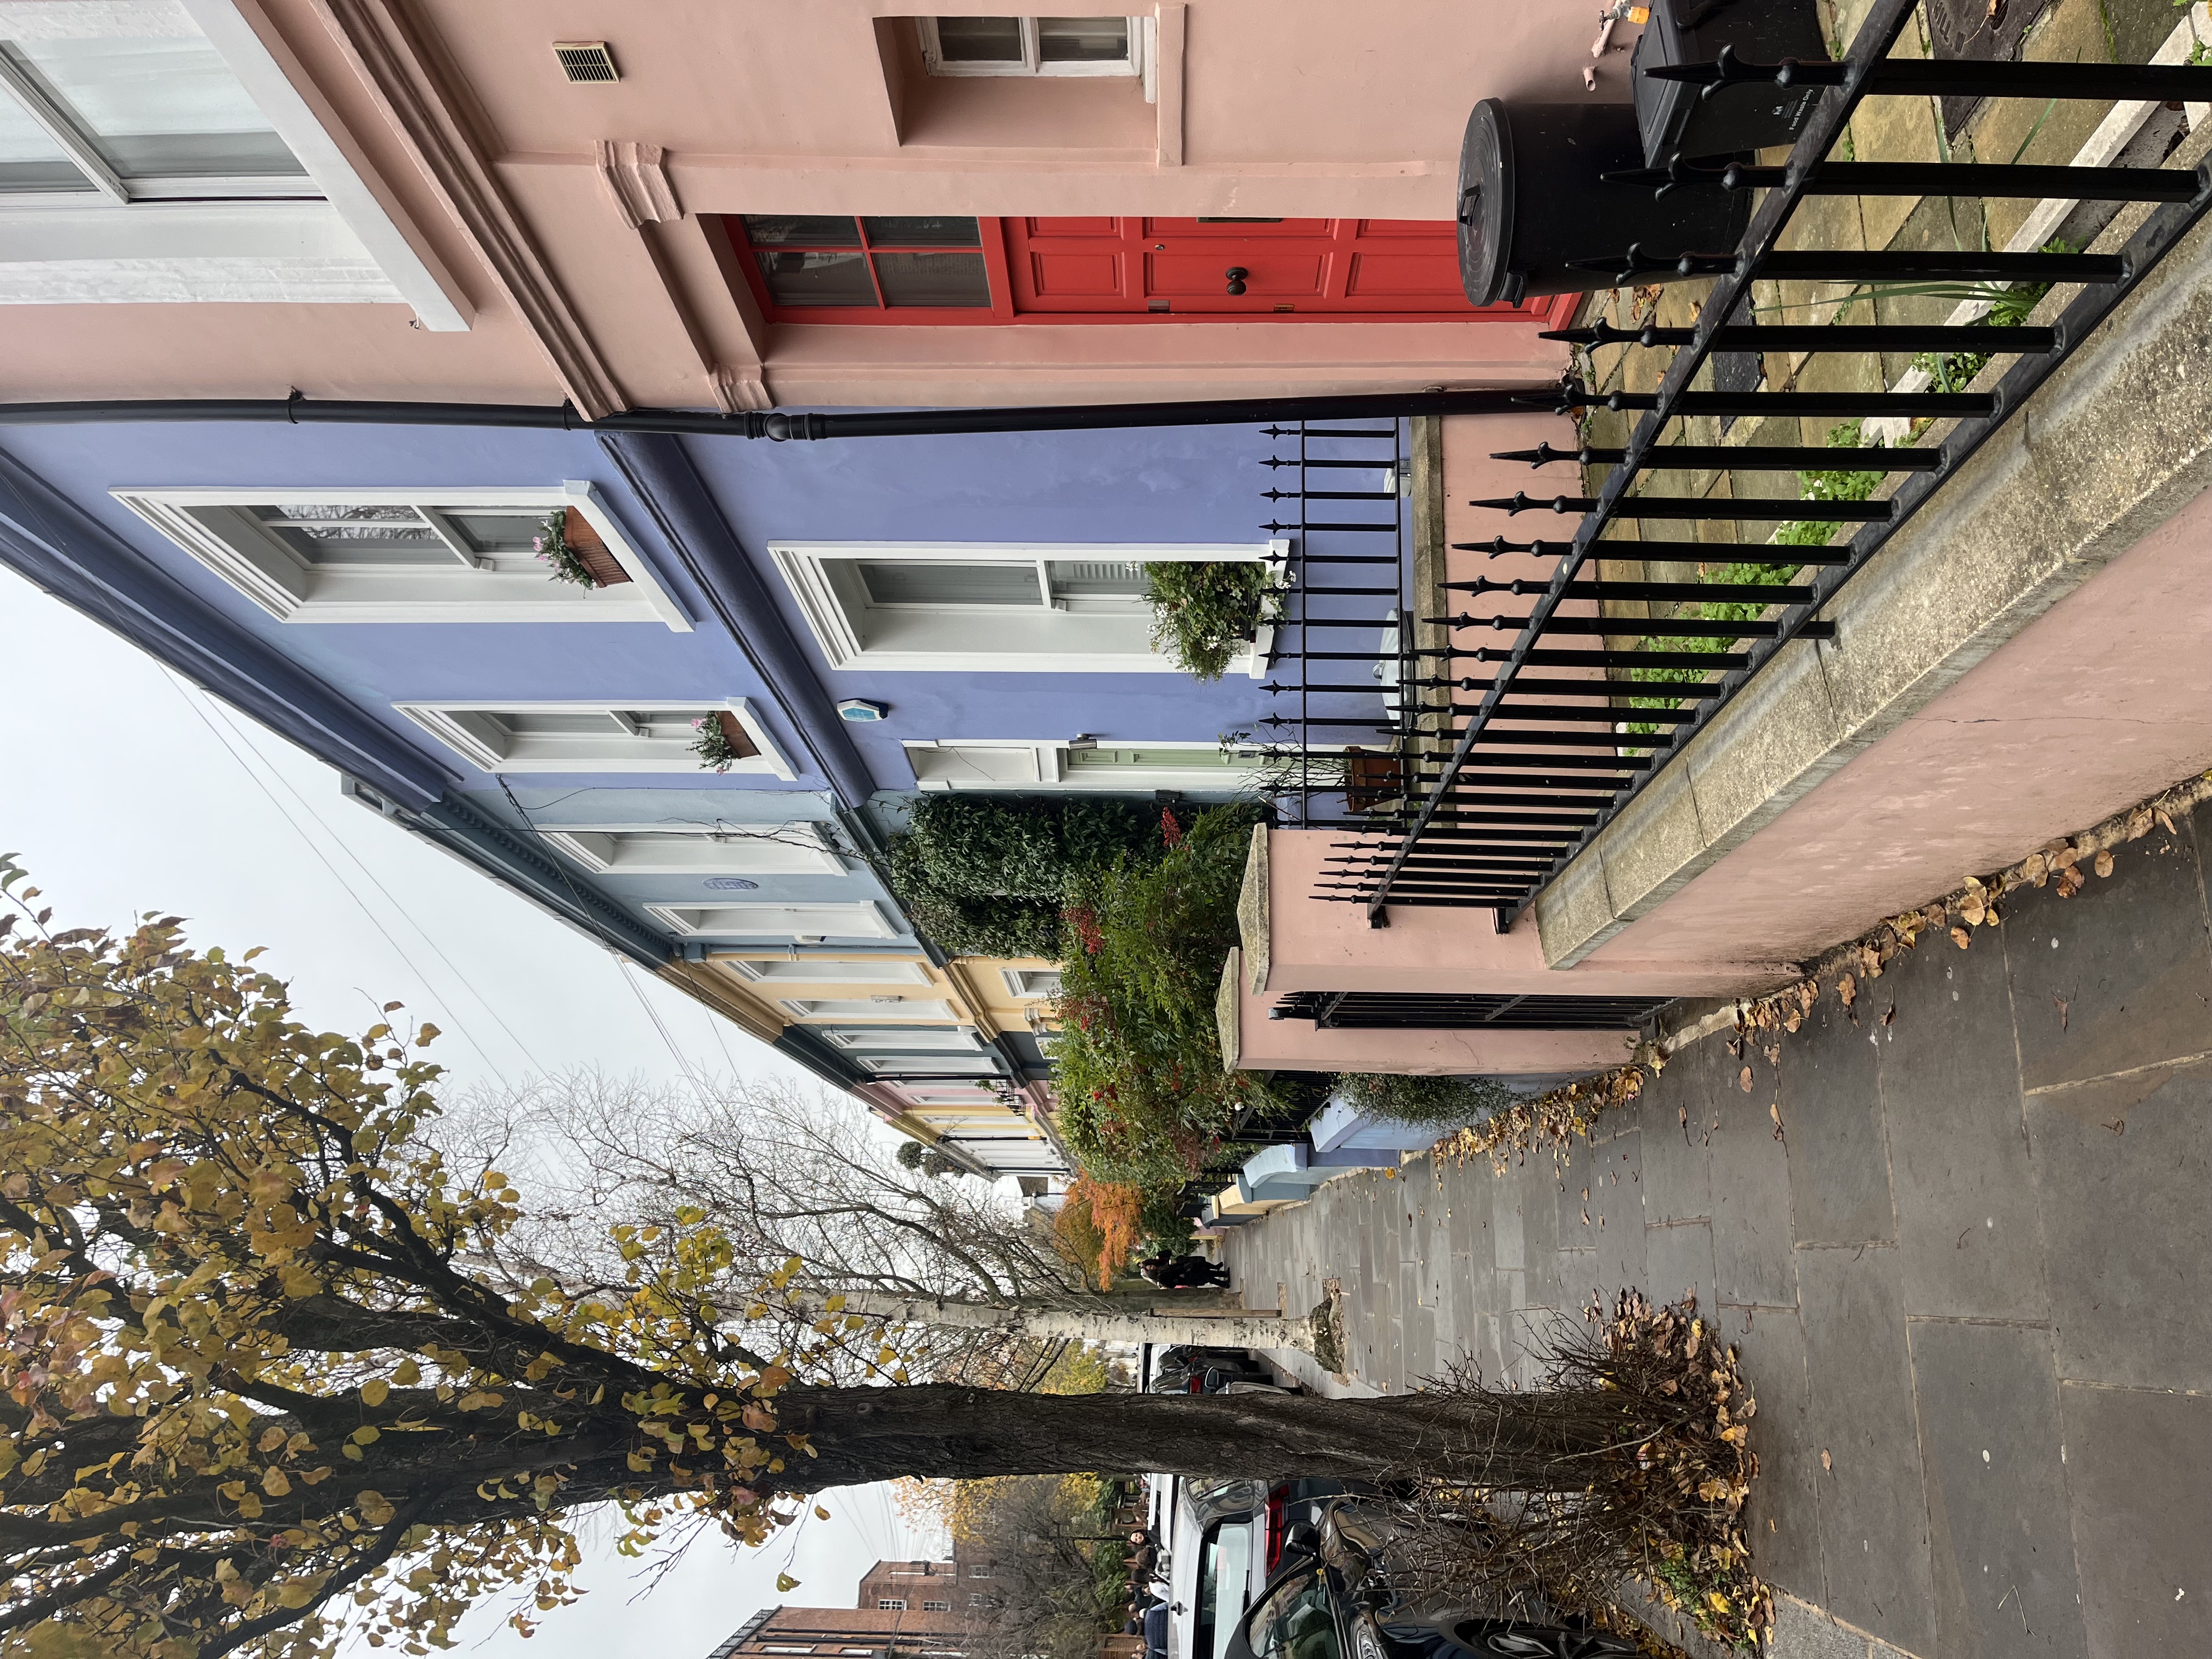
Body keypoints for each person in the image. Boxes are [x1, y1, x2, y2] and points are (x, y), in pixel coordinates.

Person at [1139, 1251, 1231, 1290]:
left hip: (1185, 1272)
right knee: (1206, 1277)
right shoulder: (1162, 1277)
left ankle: (1223, 1274)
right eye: (1151, 1269)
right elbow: (1173, 1277)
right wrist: (1179, 1276)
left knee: (1205, 1272)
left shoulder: (1161, 1272)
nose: (1153, 1268)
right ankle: (1224, 1284)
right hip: (1186, 1276)